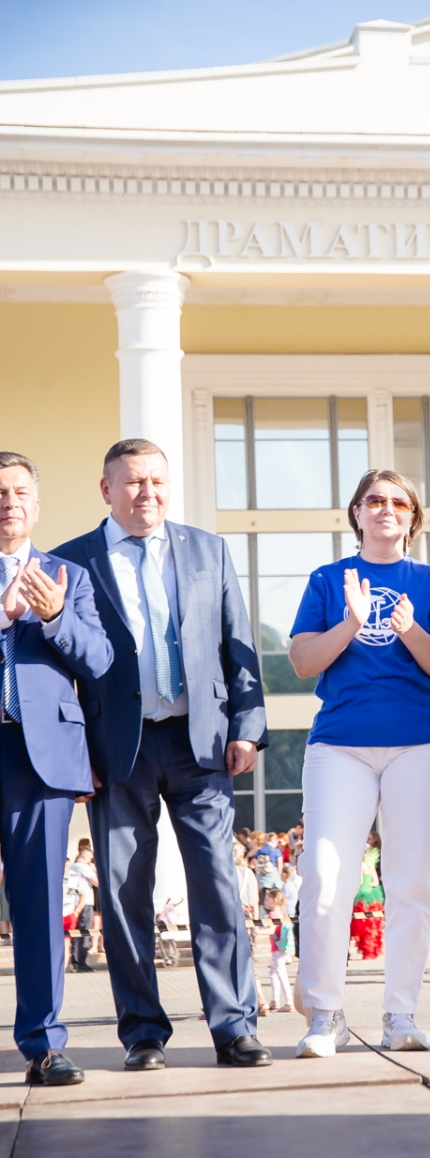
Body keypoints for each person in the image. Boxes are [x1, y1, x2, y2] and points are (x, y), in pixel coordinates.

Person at [54, 438, 271, 1071]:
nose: (147, 494)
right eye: (132, 483)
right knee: (124, 895)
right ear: (106, 490)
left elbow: (240, 645)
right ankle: (143, 1032)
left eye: (157, 482)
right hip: (116, 750)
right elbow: (61, 672)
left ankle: (235, 1026)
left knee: (218, 887)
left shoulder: (208, 550)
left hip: (199, 742)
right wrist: (75, 757)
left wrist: (248, 727)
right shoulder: (72, 562)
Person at [288, 469, 430, 1056]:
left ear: (413, 517)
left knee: (411, 884)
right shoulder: (328, 578)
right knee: (325, 879)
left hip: (423, 744)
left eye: (398, 501)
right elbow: (303, 661)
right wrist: (352, 623)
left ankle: (401, 1015)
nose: (386, 508)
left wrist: (409, 628)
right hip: (341, 744)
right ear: (356, 513)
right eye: (374, 500)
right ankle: (326, 1015)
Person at [0, 451, 112, 1085]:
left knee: (41, 904)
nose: (8, 501)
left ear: (37, 505)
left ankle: (43, 1044)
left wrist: (52, 616)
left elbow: (97, 659)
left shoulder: (68, 575)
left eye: (19, 491)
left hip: (36, 757)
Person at [233, 841, 269, 1017]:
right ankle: (260, 1001)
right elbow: (255, 900)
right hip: (248, 917)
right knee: (248, 961)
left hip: (233, 917)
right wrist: (255, 922)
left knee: (234, 962)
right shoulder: (249, 873)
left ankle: (258, 1001)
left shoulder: (228, 873)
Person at [68, 845, 98, 971]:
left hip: (74, 902)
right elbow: (97, 882)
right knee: (85, 931)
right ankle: (81, 961)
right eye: (90, 858)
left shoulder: (73, 866)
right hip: (85, 903)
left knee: (76, 932)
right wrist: (94, 868)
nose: (91, 861)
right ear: (84, 856)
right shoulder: (84, 867)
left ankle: (75, 960)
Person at [265, 888, 295, 1012]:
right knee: (273, 973)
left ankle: (289, 1002)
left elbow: (271, 930)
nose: (264, 901)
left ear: (274, 901)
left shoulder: (272, 914)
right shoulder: (283, 913)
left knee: (281, 974)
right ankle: (275, 1000)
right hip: (282, 947)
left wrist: (257, 931)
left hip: (277, 948)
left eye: (267, 899)